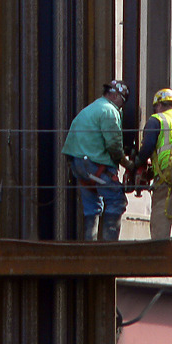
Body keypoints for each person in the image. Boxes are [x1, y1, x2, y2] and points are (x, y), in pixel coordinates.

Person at [62, 80, 135, 240]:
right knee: (116, 200)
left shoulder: (91, 108)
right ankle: (108, 247)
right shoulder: (109, 111)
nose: (122, 106)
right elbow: (114, 145)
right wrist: (127, 164)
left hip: (80, 166)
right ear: (116, 96)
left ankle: (90, 245)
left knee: (92, 207)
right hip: (94, 166)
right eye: (122, 101)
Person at [131, 88, 172, 239]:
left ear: (159, 105)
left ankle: (160, 246)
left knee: (162, 208)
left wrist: (137, 162)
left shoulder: (157, 119)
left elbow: (148, 146)